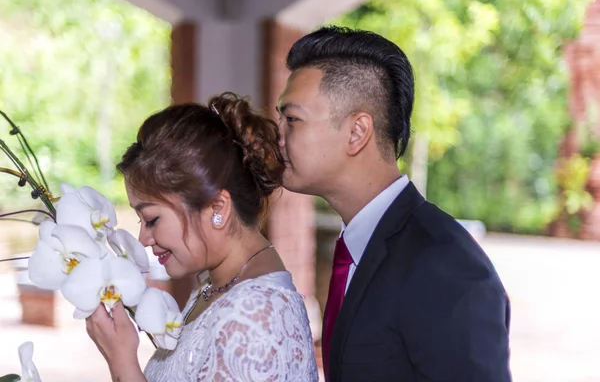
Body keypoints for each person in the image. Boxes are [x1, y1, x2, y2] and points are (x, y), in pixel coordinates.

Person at [276, 26, 511, 381]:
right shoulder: (361, 243)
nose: (277, 134)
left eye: (291, 119)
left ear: (357, 132)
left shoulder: (442, 261)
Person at [85, 93, 319, 381]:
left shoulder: (255, 316)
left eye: (152, 219)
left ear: (217, 208)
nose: (143, 238)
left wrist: (121, 361)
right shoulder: (213, 286)